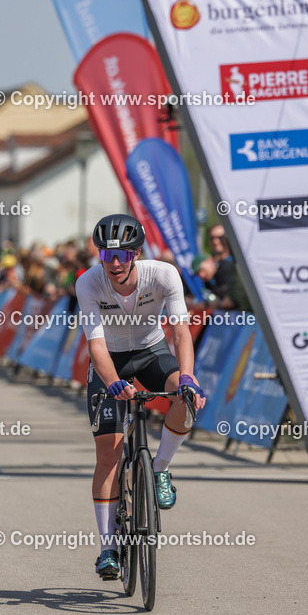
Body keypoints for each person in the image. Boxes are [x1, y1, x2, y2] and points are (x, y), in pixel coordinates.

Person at [76, 214, 207, 580]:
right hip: (111, 362)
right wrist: (114, 382)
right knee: (109, 455)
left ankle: (160, 468)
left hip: (152, 352)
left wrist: (189, 378)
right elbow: (96, 346)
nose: (114, 263)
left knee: (186, 398)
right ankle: (108, 549)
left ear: (136, 254)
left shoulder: (163, 275)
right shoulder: (88, 283)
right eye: (106, 255)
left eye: (122, 255)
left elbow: (181, 332)